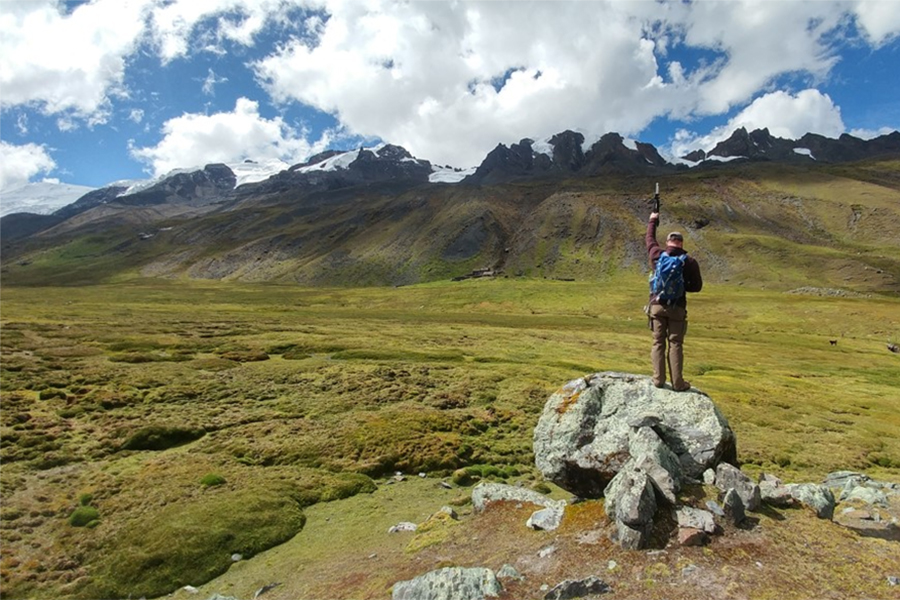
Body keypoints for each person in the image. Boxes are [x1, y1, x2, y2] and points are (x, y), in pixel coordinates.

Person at [646, 212, 702, 391]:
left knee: (657, 342)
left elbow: (649, 238)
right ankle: (678, 383)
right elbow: (697, 287)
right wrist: (682, 286)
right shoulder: (689, 262)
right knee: (675, 343)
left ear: (668, 242)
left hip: (657, 306)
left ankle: (658, 380)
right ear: (681, 243)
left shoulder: (657, 254)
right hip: (677, 308)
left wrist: (653, 220)